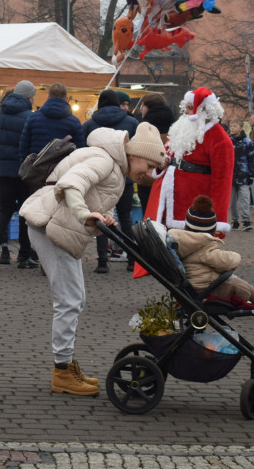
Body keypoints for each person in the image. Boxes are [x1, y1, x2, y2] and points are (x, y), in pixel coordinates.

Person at [20, 122, 167, 396]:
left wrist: (100, 215)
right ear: (136, 153)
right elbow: (71, 185)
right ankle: (62, 372)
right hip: (50, 226)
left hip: (60, 228)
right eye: (147, 166)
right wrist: (84, 214)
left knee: (75, 299)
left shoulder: (114, 166)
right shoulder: (104, 160)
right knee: (69, 301)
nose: (148, 173)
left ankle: (65, 365)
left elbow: (91, 196)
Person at [144, 87, 234, 234]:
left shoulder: (219, 139)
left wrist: (218, 220)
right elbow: (167, 156)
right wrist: (161, 165)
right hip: (166, 195)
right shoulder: (182, 129)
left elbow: (223, 181)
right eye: (185, 107)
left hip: (192, 201)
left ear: (204, 110)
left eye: (190, 108)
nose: (185, 112)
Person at [168, 196, 254, 305]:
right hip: (204, 288)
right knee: (234, 283)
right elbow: (226, 262)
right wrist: (236, 256)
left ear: (186, 226)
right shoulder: (204, 247)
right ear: (211, 230)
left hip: (192, 284)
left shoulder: (181, 242)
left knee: (230, 279)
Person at [0, 80, 38, 271]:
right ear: (29, 97)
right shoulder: (30, 117)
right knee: (25, 213)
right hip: (24, 173)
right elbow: (33, 147)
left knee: (3, 211)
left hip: (3, 172)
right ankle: (23, 256)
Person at [83, 90, 139, 273]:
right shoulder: (131, 123)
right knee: (125, 217)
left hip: (101, 177)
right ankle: (132, 260)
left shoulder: (90, 124)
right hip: (124, 177)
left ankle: (102, 261)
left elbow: (83, 151)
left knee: (100, 217)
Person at [19, 83, 86, 162]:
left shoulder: (33, 118)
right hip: (63, 170)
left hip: (36, 169)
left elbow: (24, 147)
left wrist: (26, 168)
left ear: (47, 98)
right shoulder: (75, 122)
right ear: (67, 99)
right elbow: (80, 151)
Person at [135, 92, 174, 214]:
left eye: (143, 105)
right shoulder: (174, 124)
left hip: (148, 175)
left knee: (149, 212)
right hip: (168, 175)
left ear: (148, 107)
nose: (141, 109)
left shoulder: (144, 127)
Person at [228, 122, 254, 231]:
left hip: (243, 174)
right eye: (231, 126)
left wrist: (252, 173)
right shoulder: (228, 141)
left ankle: (246, 220)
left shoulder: (247, 142)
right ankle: (235, 220)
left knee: (245, 197)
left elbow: (252, 158)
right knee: (232, 200)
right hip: (231, 175)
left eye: (234, 126)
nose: (232, 128)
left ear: (240, 128)